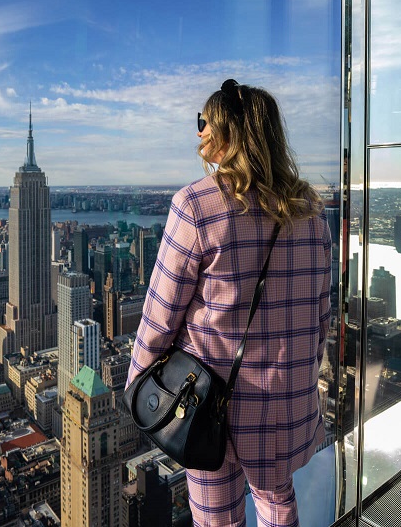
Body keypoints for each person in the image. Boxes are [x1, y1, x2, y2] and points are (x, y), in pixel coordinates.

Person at [126, 79, 332, 526]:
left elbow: (159, 316)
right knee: (279, 506)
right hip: (287, 405)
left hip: (210, 407)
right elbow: (320, 320)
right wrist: (297, 381)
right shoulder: (311, 213)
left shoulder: (196, 206)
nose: (197, 131)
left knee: (216, 519)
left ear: (228, 133)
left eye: (205, 122)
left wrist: (138, 389)